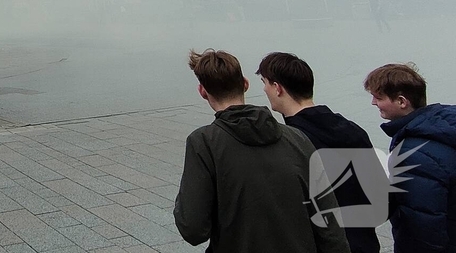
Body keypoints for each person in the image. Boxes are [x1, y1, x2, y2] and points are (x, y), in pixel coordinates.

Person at [174, 49, 349, 252]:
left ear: (203, 91)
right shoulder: (297, 138)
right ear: (245, 84)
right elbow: (328, 222)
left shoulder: (203, 143)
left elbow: (193, 229)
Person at [258, 52, 381, 253]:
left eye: (265, 83)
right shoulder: (354, 131)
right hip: (363, 243)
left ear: (277, 88)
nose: (264, 89)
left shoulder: (289, 142)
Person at [364, 63, 456, 252]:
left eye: (378, 97)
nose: (373, 102)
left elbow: (423, 225)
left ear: (401, 101)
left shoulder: (413, 153)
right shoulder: (443, 126)